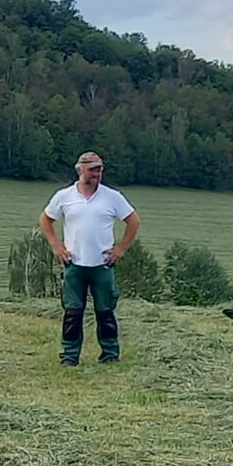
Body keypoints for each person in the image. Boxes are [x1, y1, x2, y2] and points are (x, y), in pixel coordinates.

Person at [39, 153, 140, 366]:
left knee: (105, 312)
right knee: (73, 313)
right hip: (74, 265)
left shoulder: (113, 197)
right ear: (80, 170)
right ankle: (69, 356)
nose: (97, 173)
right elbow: (46, 219)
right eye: (92, 169)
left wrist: (121, 248)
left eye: (100, 169)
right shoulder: (64, 196)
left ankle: (110, 354)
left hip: (103, 265)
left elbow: (134, 221)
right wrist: (56, 246)